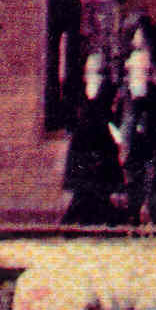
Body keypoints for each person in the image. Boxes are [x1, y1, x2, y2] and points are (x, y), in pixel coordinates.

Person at [110, 45, 156, 224]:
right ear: (129, 66)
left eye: (144, 66)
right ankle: (131, 221)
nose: (140, 70)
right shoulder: (122, 93)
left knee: (152, 188)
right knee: (131, 189)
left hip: (150, 148)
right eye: (137, 65)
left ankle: (152, 221)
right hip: (129, 149)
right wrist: (119, 137)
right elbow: (113, 119)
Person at [61, 49, 120, 223]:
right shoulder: (79, 92)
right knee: (83, 193)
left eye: (97, 70)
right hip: (82, 151)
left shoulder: (108, 91)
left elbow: (109, 117)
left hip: (101, 148)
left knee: (98, 194)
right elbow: (72, 119)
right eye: (90, 69)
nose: (92, 73)